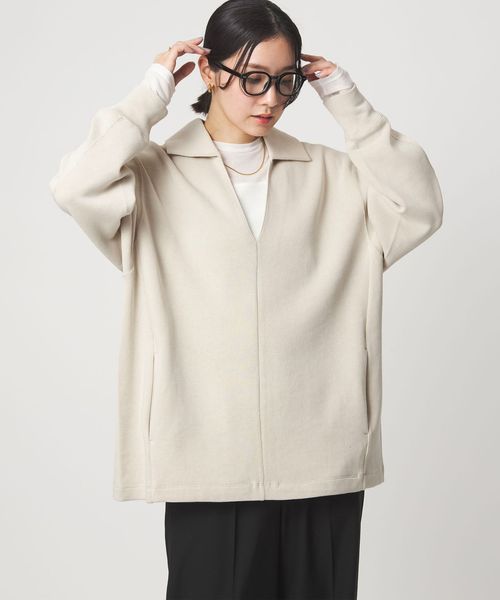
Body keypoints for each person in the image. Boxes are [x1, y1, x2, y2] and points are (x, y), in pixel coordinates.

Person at [49, 1, 444, 598]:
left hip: (322, 458)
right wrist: (151, 93)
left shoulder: (332, 175)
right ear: (208, 71)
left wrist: (348, 102)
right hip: (206, 461)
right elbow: (75, 185)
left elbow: (420, 206)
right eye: (253, 78)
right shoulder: (149, 178)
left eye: (286, 82)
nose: (270, 99)